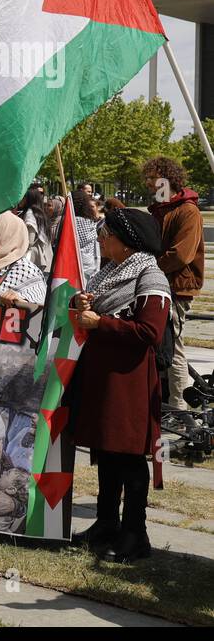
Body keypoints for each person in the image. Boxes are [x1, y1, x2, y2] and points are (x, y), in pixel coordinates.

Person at [68, 208, 171, 562]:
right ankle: (107, 522)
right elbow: (90, 310)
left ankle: (134, 533)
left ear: (126, 243)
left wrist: (102, 323)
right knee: (107, 452)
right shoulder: (110, 273)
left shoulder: (150, 276)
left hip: (130, 383)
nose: (101, 238)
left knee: (128, 457)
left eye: (106, 233)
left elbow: (150, 332)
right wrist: (79, 302)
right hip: (104, 378)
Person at [143, 156, 204, 410]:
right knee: (160, 346)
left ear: (166, 179)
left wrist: (148, 267)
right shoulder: (159, 208)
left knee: (174, 347)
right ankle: (163, 402)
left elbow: (181, 254)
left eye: (152, 178)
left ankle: (177, 407)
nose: (148, 184)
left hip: (176, 287)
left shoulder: (187, 210)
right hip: (158, 284)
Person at [17, 186, 52, 271]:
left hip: (34, 259)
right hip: (45, 255)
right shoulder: (40, 213)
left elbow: (30, 240)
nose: (20, 199)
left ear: (29, 199)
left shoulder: (30, 214)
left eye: (23, 197)